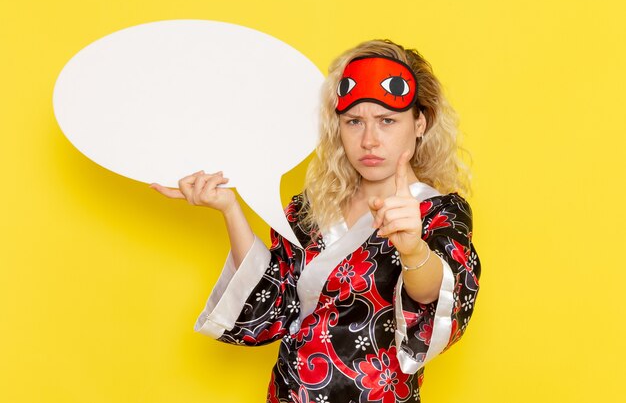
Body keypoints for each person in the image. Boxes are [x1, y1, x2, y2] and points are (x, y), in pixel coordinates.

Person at [151, 39, 481, 403]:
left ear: (420, 122)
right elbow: (274, 304)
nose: (369, 140)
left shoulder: (440, 211)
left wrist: (414, 249)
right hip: (287, 393)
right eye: (354, 121)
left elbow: (435, 295)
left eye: (387, 121)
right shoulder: (309, 208)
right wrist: (230, 209)